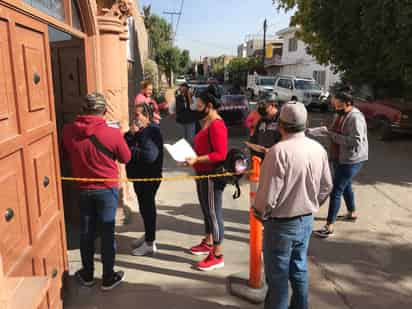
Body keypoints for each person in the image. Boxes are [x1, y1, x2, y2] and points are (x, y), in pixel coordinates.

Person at [253, 102, 333, 309]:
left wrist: (260, 213)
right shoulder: (318, 149)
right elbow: (326, 186)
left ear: (281, 125)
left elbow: (267, 195)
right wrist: (311, 204)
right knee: (299, 270)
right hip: (305, 220)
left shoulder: (278, 152)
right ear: (305, 123)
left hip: (281, 224)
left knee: (278, 278)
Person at [62, 92, 131, 291]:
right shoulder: (111, 133)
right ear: (104, 111)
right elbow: (126, 158)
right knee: (107, 233)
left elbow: (66, 153)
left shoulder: (68, 131)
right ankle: (108, 276)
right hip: (107, 190)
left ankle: (88, 274)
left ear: (83, 109)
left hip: (83, 188)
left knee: (86, 233)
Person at [313, 88, 368, 238]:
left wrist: (333, 135)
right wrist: (317, 132)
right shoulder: (341, 114)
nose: (336, 109)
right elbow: (332, 131)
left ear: (348, 103)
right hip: (338, 157)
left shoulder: (356, 118)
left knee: (336, 190)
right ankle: (352, 212)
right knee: (346, 185)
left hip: (351, 159)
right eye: (334, 105)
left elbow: (356, 141)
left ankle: (329, 226)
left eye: (338, 106)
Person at [185, 85, 228, 271]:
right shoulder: (207, 123)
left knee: (214, 213)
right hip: (201, 173)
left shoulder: (217, 125)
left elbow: (220, 154)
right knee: (206, 209)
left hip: (212, 176)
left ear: (209, 105)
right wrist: (191, 159)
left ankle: (217, 254)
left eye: (199, 104)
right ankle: (209, 242)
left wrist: (197, 159)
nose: (197, 106)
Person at [124, 103, 164, 256]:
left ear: (147, 116)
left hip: (148, 177)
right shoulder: (140, 131)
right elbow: (125, 141)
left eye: (138, 115)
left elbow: (149, 155)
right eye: (134, 115)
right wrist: (131, 135)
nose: (135, 118)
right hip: (139, 177)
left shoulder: (151, 131)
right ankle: (148, 234)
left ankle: (150, 243)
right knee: (143, 208)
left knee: (148, 208)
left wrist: (130, 150)